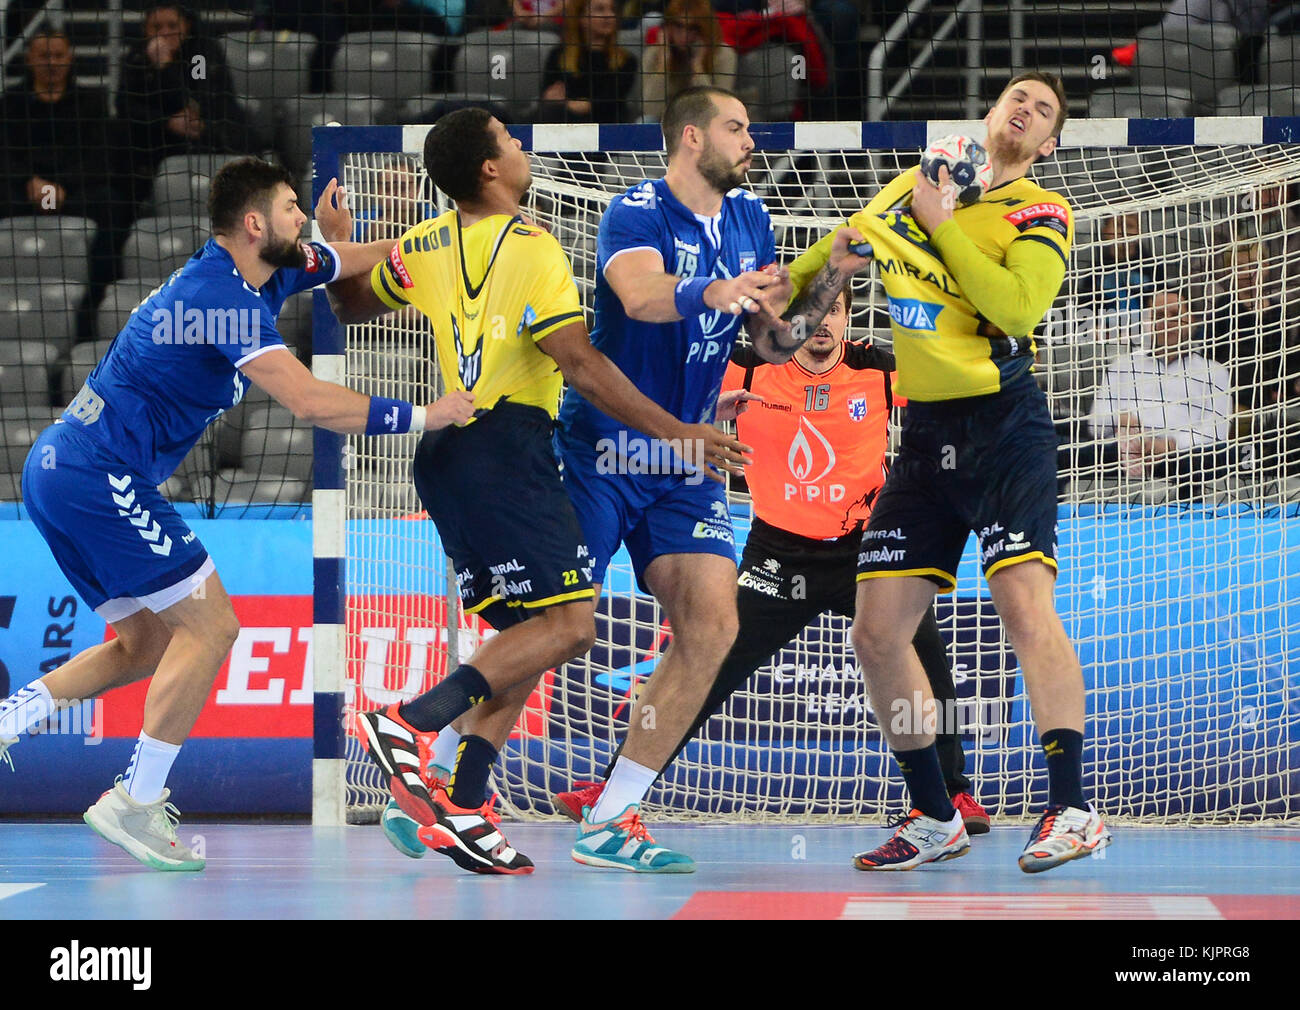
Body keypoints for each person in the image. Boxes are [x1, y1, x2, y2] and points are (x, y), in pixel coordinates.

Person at [320, 107, 753, 874]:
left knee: (551, 627)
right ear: (489, 169)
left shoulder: (427, 238)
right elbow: (582, 362)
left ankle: (466, 800)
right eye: (511, 142)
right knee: (564, 627)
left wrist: (333, 247)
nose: (524, 148)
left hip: (450, 451)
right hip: (523, 447)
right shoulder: (538, 245)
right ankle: (413, 726)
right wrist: (679, 430)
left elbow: (350, 303)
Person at [0, 158, 464, 870]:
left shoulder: (264, 267)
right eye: (288, 208)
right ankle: (135, 800)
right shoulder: (220, 297)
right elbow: (310, 402)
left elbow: (354, 257)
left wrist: (436, 235)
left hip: (60, 470)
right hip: (101, 475)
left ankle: (12, 717)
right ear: (254, 224)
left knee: (146, 646)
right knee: (215, 626)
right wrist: (428, 414)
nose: (301, 218)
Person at [758, 71, 1112, 872]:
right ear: (990, 114)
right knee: (877, 633)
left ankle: (1073, 807)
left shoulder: (1041, 211)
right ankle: (932, 812)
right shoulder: (908, 187)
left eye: (1043, 111)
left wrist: (939, 224)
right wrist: (776, 298)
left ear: (1048, 143)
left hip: (1002, 428)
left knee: (1024, 607)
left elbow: (1018, 310)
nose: (1025, 111)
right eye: (1016, 98)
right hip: (924, 437)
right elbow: (825, 264)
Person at [554, 284, 992, 832]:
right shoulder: (749, 368)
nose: (822, 324)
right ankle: (616, 784)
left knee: (926, 662)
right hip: (778, 554)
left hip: (867, 549)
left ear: (849, 317)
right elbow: (672, 400)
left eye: (834, 311)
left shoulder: (878, 369)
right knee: (707, 663)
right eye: (809, 314)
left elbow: (952, 394)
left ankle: (955, 795)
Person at [0, 27, 137, 336]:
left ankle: (97, 298)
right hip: (24, 194)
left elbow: (100, 157)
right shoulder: (10, 103)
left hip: (74, 193)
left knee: (114, 204)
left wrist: (62, 186)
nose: (52, 62)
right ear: (29, 59)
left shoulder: (91, 101)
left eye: (58, 55)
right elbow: (6, 155)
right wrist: (30, 182)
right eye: (44, 55)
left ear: (70, 58)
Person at [1089, 287, 1234, 492]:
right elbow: (1093, 424)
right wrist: (1119, 418)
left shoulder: (1214, 372)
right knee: (1065, 451)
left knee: (1210, 456)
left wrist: (1169, 446)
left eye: (1175, 315)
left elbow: (1218, 433)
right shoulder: (1121, 365)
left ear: (1193, 320)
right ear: (1148, 321)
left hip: (1185, 459)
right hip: (1125, 451)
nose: (1166, 322)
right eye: (1159, 315)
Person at [118, 3, 257, 208]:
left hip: (208, 135)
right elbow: (125, 104)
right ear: (145, 30)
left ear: (187, 26)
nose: (165, 33)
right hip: (157, 139)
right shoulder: (138, 57)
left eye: (172, 25)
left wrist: (165, 67)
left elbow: (196, 100)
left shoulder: (200, 56)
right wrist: (166, 122)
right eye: (156, 27)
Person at [538, 0, 638, 124]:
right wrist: (552, 98)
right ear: (581, 18)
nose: (609, 15)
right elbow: (548, 95)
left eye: (612, 10)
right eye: (600, 9)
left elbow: (609, 103)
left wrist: (569, 103)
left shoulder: (626, 60)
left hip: (609, 126)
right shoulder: (558, 56)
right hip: (564, 122)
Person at [638, 0, 737, 123]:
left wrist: (697, 67)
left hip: (707, 123)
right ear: (667, 27)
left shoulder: (723, 54)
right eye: (678, 26)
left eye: (693, 28)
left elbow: (720, 109)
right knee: (646, 121)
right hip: (667, 122)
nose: (684, 35)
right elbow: (650, 109)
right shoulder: (653, 54)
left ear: (705, 29)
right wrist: (663, 64)